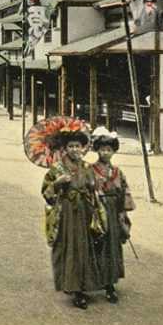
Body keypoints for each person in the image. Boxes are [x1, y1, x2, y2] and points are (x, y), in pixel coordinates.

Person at [41, 127, 101, 309]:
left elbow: (94, 190)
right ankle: (74, 289)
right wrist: (57, 184)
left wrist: (92, 186)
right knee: (69, 248)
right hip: (66, 212)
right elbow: (46, 192)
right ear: (65, 149)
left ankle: (84, 285)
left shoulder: (87, 167)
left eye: (78, 146)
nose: (75, 150)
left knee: (84, 247)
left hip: (84, 211)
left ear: (83, 148)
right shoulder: (57, 168)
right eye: (71, 146)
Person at [91, 127, 135, 304]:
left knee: (112, 247)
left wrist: (122, 211)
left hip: (114, 211)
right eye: (102, 149)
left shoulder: (118, 172)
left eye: (109, 150)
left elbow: (124, 191)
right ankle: (94, 280)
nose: (105, 153)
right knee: (98, 245)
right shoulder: (91, 169)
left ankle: (110, 284)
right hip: (97, 211)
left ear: (113, 151)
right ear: (97, 150)